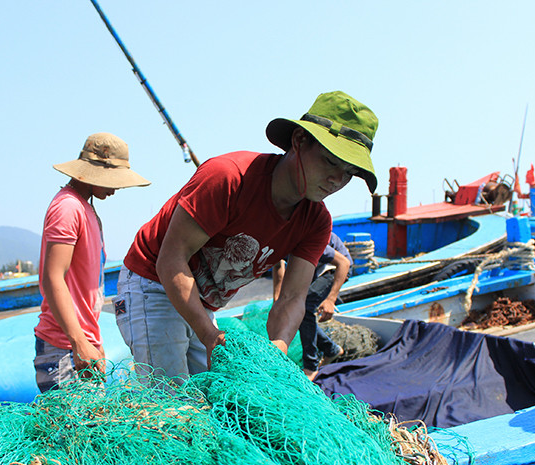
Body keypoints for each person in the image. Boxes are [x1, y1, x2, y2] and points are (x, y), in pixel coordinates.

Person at [114, 91, 379, 383]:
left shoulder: (316, 221)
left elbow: (292, 297)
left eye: (349, 172)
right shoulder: (228, 178)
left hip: (200, 301)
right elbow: (171, 261)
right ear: (299, 141)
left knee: (216, 397)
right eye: (330, 161)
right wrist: (208, 333)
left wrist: (277, 347)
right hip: (152, 281)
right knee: (171, 399)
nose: (337, 180)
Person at [33, 132, 150, 393]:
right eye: (113, 179)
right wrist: (78, 342)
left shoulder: (86, 209)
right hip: (62, 346)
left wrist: (92, 341)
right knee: (68, 431)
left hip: (82, 342)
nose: (116, 187)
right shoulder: (67, 208)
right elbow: (53, 279)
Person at [272, 232, 352, 380]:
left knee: (306, 305)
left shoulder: (307, 238)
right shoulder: (276, 239)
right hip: (313, 267)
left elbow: (344, 263)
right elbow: (278, 265)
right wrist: (277, 296)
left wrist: (330, 299)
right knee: (295, 309)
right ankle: (331, 349)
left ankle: (311, 365)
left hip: (334, 267)